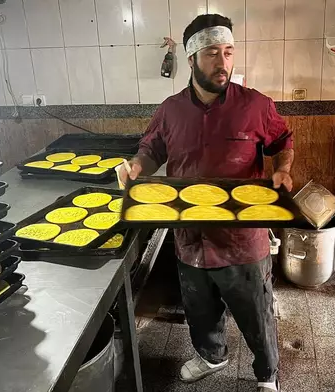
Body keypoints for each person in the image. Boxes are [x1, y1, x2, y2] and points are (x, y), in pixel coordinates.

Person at [118, 14, 294, 392]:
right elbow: (152, 150)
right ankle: (212, 356)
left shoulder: (255, 105)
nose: (223, 62)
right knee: (200, 308)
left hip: (241, 238)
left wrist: (282, 170)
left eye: (229, 52)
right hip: (190, 236)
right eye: (213, 53)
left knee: (256, 313)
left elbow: (282, 143)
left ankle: (266, 375)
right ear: (192, 59)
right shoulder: (171, 110)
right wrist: (137, 166)